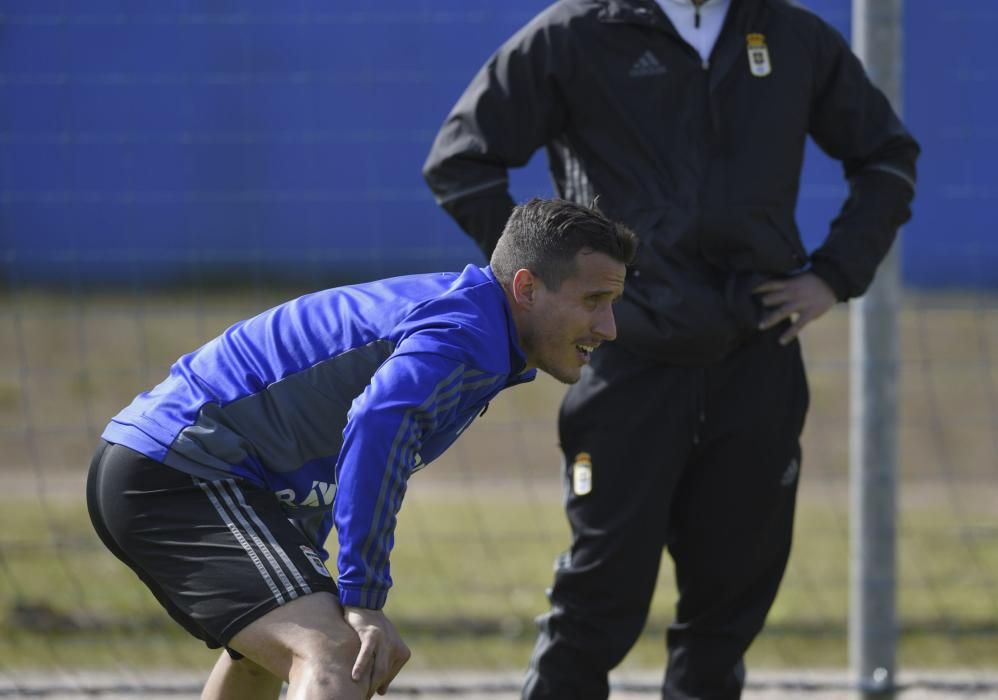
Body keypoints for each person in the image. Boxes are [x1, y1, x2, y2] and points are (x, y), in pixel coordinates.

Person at [422, 1, 920, 698]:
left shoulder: (790, 34)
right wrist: (560, 291)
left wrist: (833, 275)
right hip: (628, 361)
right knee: (595, 607)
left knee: (728, 614)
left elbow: (887, 156)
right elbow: (461, 161)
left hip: (758, 357)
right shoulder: (575, 33)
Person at [86, 197, 637, 700]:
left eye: (612, 302)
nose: (608, 327)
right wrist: (364, 597)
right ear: (526, 288)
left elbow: (333, 437)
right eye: (594, 300)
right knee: (339, 655)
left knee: (265, 657)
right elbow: (376, 425)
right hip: (178, 469)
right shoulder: (466, 334)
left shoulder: (477, 327)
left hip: (194, 470)